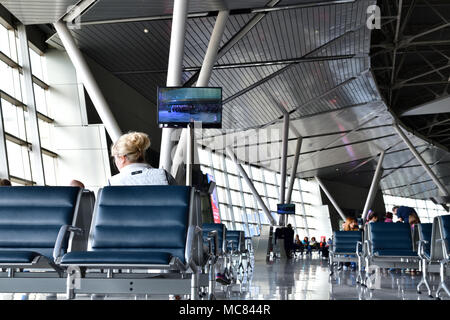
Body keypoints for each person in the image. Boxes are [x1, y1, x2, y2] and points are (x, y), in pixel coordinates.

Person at [109, 132, 176, 186]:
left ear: (122, 158)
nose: (115, 162)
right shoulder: (164, 176)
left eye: (115, 158)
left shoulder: (112, 183)